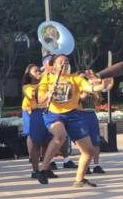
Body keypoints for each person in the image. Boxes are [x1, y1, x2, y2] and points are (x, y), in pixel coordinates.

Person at [37, 54, 111, 187]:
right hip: (54, 114)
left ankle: (79, 179)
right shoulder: (47, 79)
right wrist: (49, 92)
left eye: (66, 61)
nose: (64, 64)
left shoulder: (75, 79)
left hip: (72, 115)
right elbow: (40, 99)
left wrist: (102, 86)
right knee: (60, 135)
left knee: (88, 151)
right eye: (61, 62)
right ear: (53, 66)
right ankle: (43, 169)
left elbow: (90, 88)